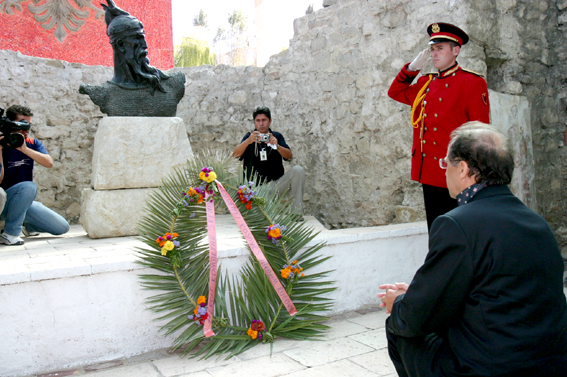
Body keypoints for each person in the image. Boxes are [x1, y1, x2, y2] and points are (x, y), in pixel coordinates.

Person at [377, 122, 567, 377]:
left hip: (489, 367)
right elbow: (495, 289)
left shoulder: (457, 223)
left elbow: (416, 317)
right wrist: (418, 294)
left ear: (463, 169)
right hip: (549, 362)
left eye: (446, 164)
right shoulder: (537, 222)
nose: (444, 171)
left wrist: (399, 301)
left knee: (399, 326)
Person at [388, 22, 490, 230]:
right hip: (430, 171)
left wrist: (474, 173)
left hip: (458, 172)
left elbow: (480, 133)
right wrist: (411, 69)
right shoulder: (426, 82)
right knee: (436, 229)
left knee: (460, 230)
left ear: (456, 50)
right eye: (432, 49)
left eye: (440, 48)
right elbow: (395, 92)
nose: (434, 54)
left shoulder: (471, 82)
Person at [0, 105, 69, 245]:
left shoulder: (31, 143)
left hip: (23, 201)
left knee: (62, 227)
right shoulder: (2, 144)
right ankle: (10, 233)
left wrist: (24, 149)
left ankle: (26, 225)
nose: (26, 130)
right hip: (3, 201)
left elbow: (49, 163)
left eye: (29, 125)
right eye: (22, 124)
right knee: (28, 186)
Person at [233, 106, 305, 216]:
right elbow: (235, 155)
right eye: (258, 121)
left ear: (270, 121)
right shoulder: (249, 137)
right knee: (264, 216)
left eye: (264, 120)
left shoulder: (276, 136)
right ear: (254, 122)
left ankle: (297, 214)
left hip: (276, 185)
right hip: (256, 189)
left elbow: (289, 156)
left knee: (298, 170)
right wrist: (248, 141)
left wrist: (277, 146)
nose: (261, 124)